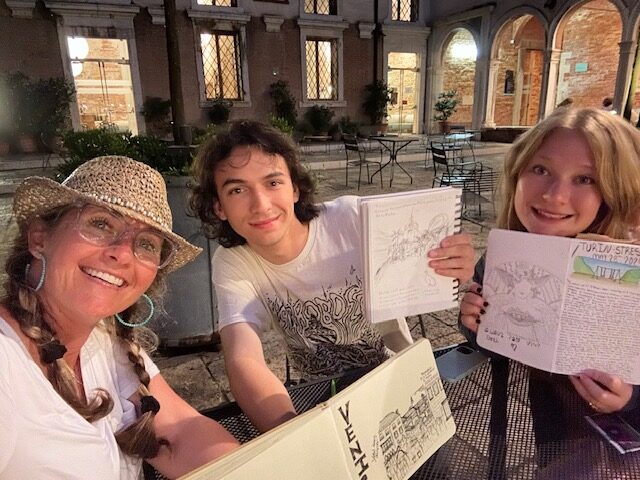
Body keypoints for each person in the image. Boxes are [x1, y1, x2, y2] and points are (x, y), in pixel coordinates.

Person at [190, 120, 475, 432]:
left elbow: (428, 255)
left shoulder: (351, 220)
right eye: (238, 190)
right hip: (321, 399)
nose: (261, 205)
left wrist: (455, 265)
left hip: (399, 382)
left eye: (273, 183)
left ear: (294, 189)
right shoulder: (234, 262)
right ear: (219, 207)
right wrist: (290, 434)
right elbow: (242, 356)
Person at [1, 156, 239, 479]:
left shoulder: (107, 344)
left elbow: (183, 431)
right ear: (39, 237)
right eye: (101, 224)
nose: (123, 253)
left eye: (146, 244)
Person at [459, 107, 640, 415]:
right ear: (517, 174)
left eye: (584, 178)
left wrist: (630, 401)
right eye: (541, 170)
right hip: (547, 429)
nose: (555, 195)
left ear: (615, 192)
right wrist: (475, 324)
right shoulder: (506, 257)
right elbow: (498, 345)